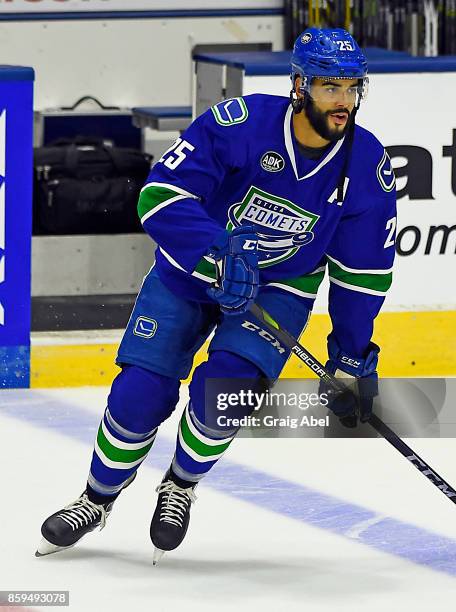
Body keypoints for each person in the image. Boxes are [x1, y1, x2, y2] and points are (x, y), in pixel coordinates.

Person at [36, 27, 396, 563]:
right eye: (329, 87)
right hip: (189, 272)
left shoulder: (365, 164)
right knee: (140, 395)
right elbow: (159, 194)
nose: (343, 102)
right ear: (300, 85)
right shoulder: (241, 125)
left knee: (226, 391)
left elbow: (361, 274)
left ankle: (180, 485)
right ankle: (96, 498)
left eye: (351, 88)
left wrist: (350, 354)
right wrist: (215, 255)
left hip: (279, 286)